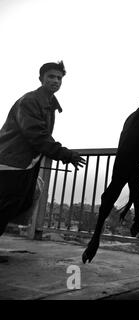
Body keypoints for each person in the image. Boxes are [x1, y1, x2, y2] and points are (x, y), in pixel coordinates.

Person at [0, 61, 86, 237]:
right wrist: (64, 154)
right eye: (51, 77)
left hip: (22, 163)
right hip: (9, 160)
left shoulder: (48, 103)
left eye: (59, 78)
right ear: (41, 79)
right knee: (6, 205)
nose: (56, 81)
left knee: (18, 201)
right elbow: (36, 134)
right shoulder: (30, 100)